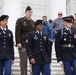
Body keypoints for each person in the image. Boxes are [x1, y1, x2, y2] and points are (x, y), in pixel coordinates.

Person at [15, 6, 34, 75]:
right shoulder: (20, 20)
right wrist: (18, 42)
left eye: (31, 12)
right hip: (23, 44)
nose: (30, 13)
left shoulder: (33, 22)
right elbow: (17, 32)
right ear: (25, 12)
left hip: (30, 45)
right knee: (23, 62)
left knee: (33, 61)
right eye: (28, 12)